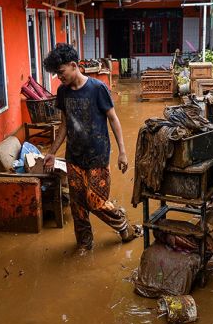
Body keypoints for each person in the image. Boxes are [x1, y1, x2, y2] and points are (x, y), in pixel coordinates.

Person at [43, 43, 141, 251]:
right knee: (78, 205)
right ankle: (84, 245)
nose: (59, 77)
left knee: (95, 201)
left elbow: (113, 119)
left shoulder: (98, 89)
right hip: (74, 157)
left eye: (61, 72)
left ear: (73, 65)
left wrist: (122, 152)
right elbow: (64, 125)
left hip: (98, 155)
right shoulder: (63, 92)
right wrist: (51, 153)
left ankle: (123, 227)